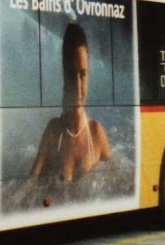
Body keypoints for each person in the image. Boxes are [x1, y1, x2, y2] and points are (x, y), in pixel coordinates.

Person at [29, 22, 112, 182]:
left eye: (83, 74)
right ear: (64, 78)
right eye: (71, 74)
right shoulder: (54, 131)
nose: (78, 85)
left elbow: (118, 186)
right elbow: (28, 186)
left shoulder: (96, 133)